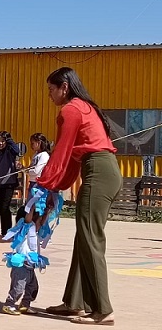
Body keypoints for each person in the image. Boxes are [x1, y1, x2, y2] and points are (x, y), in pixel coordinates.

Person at [39, 67, 120, 326]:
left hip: (98, 172)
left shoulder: (71, 110)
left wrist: (45, 184)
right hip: (101, 170)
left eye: (52, 89)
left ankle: (102, 310)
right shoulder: (85, 107)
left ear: (64, 86)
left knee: (91, 239)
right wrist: (55, 184)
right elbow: (72, 159)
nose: (50, 95)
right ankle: (75, 302)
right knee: (84, 237)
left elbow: (61, 152)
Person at [1, 208, 49, 316]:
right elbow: (28, 219)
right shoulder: (24, 227)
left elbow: (41, 223)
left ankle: (25, 305)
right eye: (37, 216)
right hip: (21, 266)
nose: (40, 220)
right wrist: (31, 207)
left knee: (33, 288)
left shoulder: (34, 230)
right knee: (18, 288)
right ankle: (9, 304)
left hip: (30, 266)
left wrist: (47, 212)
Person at [0, 131, 21, 234]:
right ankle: (4, 230)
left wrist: (9, 140)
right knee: (1, 208)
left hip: (9, 184)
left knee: (5, 207)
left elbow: (17, 151)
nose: (1, 143)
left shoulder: (10, 151)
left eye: (3, 141)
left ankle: (7, 230)